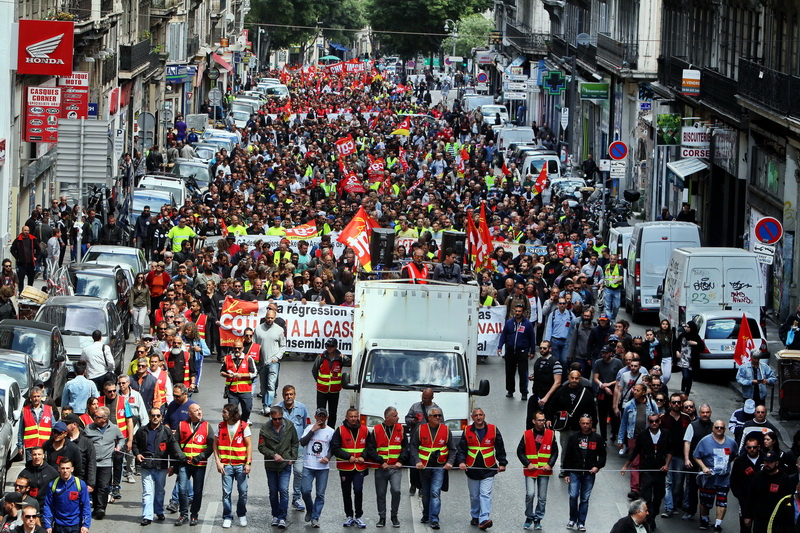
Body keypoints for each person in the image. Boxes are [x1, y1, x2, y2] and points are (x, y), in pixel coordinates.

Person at [455, 408, 508, 530]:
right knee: (474, 496)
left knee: (485, 494)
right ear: (472, 418)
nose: (478, 417)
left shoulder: (493, 430)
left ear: (484, 416)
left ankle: (484, 518)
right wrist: (461, 462)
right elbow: (462, 449)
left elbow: (500, 447)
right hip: (472, 468)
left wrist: (502, 463)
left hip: (488, 469)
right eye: (476, 415)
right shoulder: (467, 430)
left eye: (480, 415)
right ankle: (475, 515)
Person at [132, 407, 185, 526]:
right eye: (153, 415)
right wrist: (137, 454)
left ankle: (159, 511)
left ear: (161, 417)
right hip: (146, 466)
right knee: (147, 492)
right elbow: (135, 444)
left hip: (161, 467)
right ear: (150, 417)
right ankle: (147, 515)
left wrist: (173, 465)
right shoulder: (142, 431)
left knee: (160, 491)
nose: (155, 418)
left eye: (158, 416)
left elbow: (173, 448)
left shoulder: (166, 432)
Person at [621, 413, 672, 530]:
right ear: (648, 422)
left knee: (659, 496)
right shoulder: (643, 435)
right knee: (646, 497)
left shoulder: (665, 434)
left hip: (660, 471)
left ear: (659, 422)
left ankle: (653, 515)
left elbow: (670, 451)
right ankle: (649, 520)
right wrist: (625, 465)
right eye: (651, 421)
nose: (654, 423)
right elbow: (635, 451)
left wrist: (666, 465)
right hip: (646, 470)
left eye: (656, 421)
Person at [410, 407, 455, 530]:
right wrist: (418, 461)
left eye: (439, 415)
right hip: (424, 467)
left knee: (435, 493)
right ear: (429, 417)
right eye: (435, 416)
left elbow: (452, 449)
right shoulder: (420, 429)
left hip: (439, 467)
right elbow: (413, 447)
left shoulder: (446, 430)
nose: (438, 418)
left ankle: (434, 519)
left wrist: (450, 462)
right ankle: (426, 514)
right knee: (425, 494)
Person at [364, 406, 407, 528]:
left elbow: (405, 448)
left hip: (395, 468)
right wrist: (381, 461)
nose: (398, 418)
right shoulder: (376, 430)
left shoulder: (401, 429)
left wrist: (401, 461)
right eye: (395, 416)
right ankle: (382, 517)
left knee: (396, 491)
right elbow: (371, 449)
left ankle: (394, 516)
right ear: (387, 418)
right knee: (381, 494)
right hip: (381, 468)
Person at [693, 419, 739, 531]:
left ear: (725, 429)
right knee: (705, 501)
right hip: (708, 478)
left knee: (722, 501)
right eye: (717, 427)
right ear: (713, 428)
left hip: (724, 478)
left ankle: (718, 524)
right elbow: (696, 456)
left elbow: (734, 456)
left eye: (721, 427)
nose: (719, 429)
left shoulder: (731, 443)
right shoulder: (705, 441)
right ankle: (704, 518)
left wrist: (726, 465)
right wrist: (704, 467)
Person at [562, 414, 606, 530]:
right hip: (575, 473)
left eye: (588, 423)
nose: (585, 425)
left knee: (585, 499)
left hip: (589, 474)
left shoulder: (597, 438)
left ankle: (581, 522)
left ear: (591, 424)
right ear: (579, 423)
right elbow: (568, 456)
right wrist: (566, 473)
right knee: (573, 496)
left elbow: (602, 456)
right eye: (583, 423)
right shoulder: (574, 438)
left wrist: (597, 467)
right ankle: (572, 519)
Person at [258, 405, 299, 529]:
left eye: (279, 419)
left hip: (285, 464)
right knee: (273, 491)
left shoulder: (290, 426)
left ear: (282, 416)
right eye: (275, 419)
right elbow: (261, 447)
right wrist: (273, 454)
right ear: (271, 417)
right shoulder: (265, 429)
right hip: (271, 465)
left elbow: (295, 443)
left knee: (283, 490)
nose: (277, 421)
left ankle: (282, 516)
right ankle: (275, 515)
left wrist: (292, 458)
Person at [213, 403, 252, 529]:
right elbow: (215, 445)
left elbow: (249, 445)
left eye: (224, 412)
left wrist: (248, 463)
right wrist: (218, 462)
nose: (222, 414)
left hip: (240, 465)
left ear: (231, 413)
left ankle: (241, 514)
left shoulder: (243, 426)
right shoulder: (220, 426)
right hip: (226, 466)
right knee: (226, 493)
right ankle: (227, 516)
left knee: (243, 492)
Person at [517, 410, 557, 530]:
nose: (542, 422)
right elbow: (520, 451)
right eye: (539, 420)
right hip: (531, 470)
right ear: (534, 421)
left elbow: (555, 451)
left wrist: (550, 464)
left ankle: (538, 518)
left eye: (543, 420)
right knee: (530, 494)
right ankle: (529, 516)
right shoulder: (527, 434)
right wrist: (527, 463)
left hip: (544, 471)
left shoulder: (551, 434)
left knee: (542, 497)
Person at [83, 406, 125, 519]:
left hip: (106, 462)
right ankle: (96, 507)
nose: (94, 418)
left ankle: (101, 508)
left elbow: (121, 438)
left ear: (104, 419)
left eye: (97, 417)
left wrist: (119, 446)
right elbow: (83, 441)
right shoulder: (89, 428)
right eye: (94, 416)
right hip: (92, 463)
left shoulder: (114, 428)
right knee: (94, 486)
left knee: (104, 486)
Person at [175, 403, 213, 526]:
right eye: (196, 410)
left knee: (197, 491)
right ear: (190, 414)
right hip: (184, 463)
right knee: (181, 489)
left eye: (200, 409)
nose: (199, 412)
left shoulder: (207, 426)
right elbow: (175, 442)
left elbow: (211, 445)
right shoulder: (182, 425)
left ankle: (194, 515)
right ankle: (183, 514)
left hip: (199, 465)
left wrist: (201, 456)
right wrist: (181, 456)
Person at [330, 408, 369, 529]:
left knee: (358, 490)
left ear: (358, 417)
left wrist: (363, 456)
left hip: (359, 467)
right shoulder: (340, 430)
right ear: (346, 417)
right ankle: (349, 515)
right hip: (345, 467)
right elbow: (335, 448)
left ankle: (358, 516)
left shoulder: (365, 430)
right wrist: (348, 457)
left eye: (355, 416)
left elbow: (370, 446)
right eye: (351, 417)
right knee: (346, 492)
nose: (353, 419)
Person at [97, 381, 134, 502]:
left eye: (114, 390)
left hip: (120, 438)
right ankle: (106, 486)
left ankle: (116, 486)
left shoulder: (124, 401)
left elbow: (129, 421)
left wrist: (130, 440)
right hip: (103, 438)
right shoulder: (99, 401)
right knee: (105, 463)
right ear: (104, 391)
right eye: (109, 391)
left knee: (118, 462)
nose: (112, 393)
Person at [275, 385, 309, 513]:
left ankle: (296, 498)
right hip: (283, 449)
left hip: (298, 448)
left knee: (299, 472)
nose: (289, 397)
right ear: (283, 395)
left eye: (291, 394)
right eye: (286, 394)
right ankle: (283, 499)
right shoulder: (277, 409)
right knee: (284, 476)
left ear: (294, 395)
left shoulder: (302, 408)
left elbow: (307, 427)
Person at [743, 450, 793, 533]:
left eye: (770, 462)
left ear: (776, 463)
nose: (767, 464)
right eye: (766, 461)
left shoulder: (784, 479)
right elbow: (750, 497)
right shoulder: (758, 477)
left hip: (777, 521)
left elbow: (788, 500)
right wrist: (747, 515)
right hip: (759, 519)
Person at [299, 408, 334, 528]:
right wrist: (313, 431)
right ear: (315, 416)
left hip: (322, 468)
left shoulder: (331, 431)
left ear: (326, 418)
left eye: (323, 416)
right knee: (305, 490)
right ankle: (310, 509)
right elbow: (302, 442)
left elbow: (333, 448)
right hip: (308, 465)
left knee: (320, 494)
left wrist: (328, 457)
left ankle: (315, 517)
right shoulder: (309, 428)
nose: (321, 418)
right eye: (319, 416)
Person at [659, 392, 692, 518]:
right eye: (674, 402)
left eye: (679, 402)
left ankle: (673, 502)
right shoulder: (663, 418)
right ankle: (669, 507)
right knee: (668, 482)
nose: (676, 404)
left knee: (678, 483)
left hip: (680, 455)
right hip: (667, 455)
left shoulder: (686, 418)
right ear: (670, 403)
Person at [405, 388, 441, 496]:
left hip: (429, 442)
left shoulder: (437, 410)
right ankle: (413, 484)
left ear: (432, 398)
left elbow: (441, 425)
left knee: (424, 465)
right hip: (416, 440)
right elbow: (407, 419)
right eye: (423, 397)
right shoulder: (415, 407)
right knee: (413, 464)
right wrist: (413, 421)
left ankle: (422, 486)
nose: (424, 399)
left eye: (426, 398)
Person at [497, 303, 536, 400]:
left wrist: (532, 351)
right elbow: (503, 335)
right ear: (514, 311)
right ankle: (510, 390)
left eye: (519, 311)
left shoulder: (528, 324)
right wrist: (500, 347)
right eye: (516, 311)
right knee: (510, 372)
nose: (517, 313)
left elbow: (532, 338)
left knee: (523, 373)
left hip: (522, 352)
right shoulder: (509, 323)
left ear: (522, 312)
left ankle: (524, 392)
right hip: (510, 352)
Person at [42, 459, 91, 533]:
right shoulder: (52, 485)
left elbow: (86, 505)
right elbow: (48, 505)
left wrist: (86, 525)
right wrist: (48, 525)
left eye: (67, 468)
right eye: (62, 468)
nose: (65, 471)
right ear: (58, 469)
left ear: (72, 469)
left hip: (76, 526)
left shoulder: (80, 484)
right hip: (58, 526)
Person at [253, 308, 286, 414]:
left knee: (271, 385)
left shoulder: (279, 330)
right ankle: (264, 404)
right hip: (262, 362)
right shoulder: (258, 329)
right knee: (263, 386)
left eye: (272, 318)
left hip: (273, 362)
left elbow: (283, 346)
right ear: (265, 317)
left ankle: (268, 406)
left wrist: (277, 357)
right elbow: (254, 346)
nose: (270, 320)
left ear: (275, 318)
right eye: (268, 317)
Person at [527, 341, 563, 430]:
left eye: (544, 348)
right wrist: (534, 377)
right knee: (531, 421)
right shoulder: (538, 361)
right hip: (537, 395)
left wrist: (546, 397)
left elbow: (557, 382)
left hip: (549, 399)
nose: (542, 350)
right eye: (540, 348)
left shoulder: (555, 363)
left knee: (548, 424)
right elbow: (541, 375)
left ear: (550, 349)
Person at [731, 436, 763, 533]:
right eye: (749, 447)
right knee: (745, 526)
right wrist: (740, 496)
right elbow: (734, 481)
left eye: (754, 447)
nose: (752, 450)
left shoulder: (765, 460)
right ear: (745, 448)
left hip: (763, 500)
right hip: (745, 501)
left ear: (759, 447)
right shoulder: (739, 461)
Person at [220, 339, 257, 423]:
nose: (237, 350)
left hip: (245, 390)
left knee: (247, 409)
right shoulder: (227, 358)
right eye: (235, 348)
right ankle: (234, 425)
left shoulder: (248, 359)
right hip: (232, 391)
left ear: (242, 348)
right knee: (232, 412)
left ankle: (243, 423)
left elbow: (254, 373)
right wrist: (227, 375)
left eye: (239, 348)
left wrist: (242, 375)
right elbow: (221, 371)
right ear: (232, 348)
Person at [312, 339, 346, 428]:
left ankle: (330, 430)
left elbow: (350, 364)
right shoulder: (321, 357)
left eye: (331, 346)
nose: (329, 348)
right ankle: (319, 428)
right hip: (321, 390)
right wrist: (319, 380)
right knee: (320, 412)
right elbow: (314, 370)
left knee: (333, 413)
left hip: (334, 391)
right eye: (327, 346)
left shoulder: (341, 358)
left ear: (335, 347)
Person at [18, 387, 55, 461]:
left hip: (45, 445)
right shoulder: (25, 411)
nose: (36, 398)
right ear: (30, 398)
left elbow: (53, 427)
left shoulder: (48, 410)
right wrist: (20, 446)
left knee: (44, 468)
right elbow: (21, 430)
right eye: (34, 396)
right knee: (30, 469)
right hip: (30, 446)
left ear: (41, 397)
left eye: (38, 396)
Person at [675, 321, 704, 395]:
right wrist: (677, 351)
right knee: (685, 376)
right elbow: (676, 344)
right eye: (686, 327)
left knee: (690, 377)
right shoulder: (683, 335)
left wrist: (695, 343)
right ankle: (682, 390)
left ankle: (687, 393)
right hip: (683, 358)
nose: (686, 328)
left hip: (691, 360)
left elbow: (702, 347)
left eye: (688, 327)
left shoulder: (696, 336)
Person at [10, 226, 38, 293]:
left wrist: (35, 256)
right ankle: (21, 292)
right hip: (21, 264)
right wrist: (17, 258)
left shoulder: (32, 239)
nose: (26, 232)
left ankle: (29, 293)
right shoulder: (18, 240)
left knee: (31, 279)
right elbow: (12, 249)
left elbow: (38, 249)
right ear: (22, 231)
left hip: (30, 263)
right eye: (25, 230)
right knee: (20, 279)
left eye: (27, 230)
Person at [602, 254, 624, 320]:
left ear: (616, 259)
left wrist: (617, 281)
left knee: (616, 306)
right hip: (607, 288)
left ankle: (613, 317)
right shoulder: (606, 267)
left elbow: (621, 277)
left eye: (614, 259)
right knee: (607, 306)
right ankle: (610, 320)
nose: (612, 260)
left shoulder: (619, 267)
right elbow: (603, 277)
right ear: (609, 259)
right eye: (611, 259)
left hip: (616, 289)